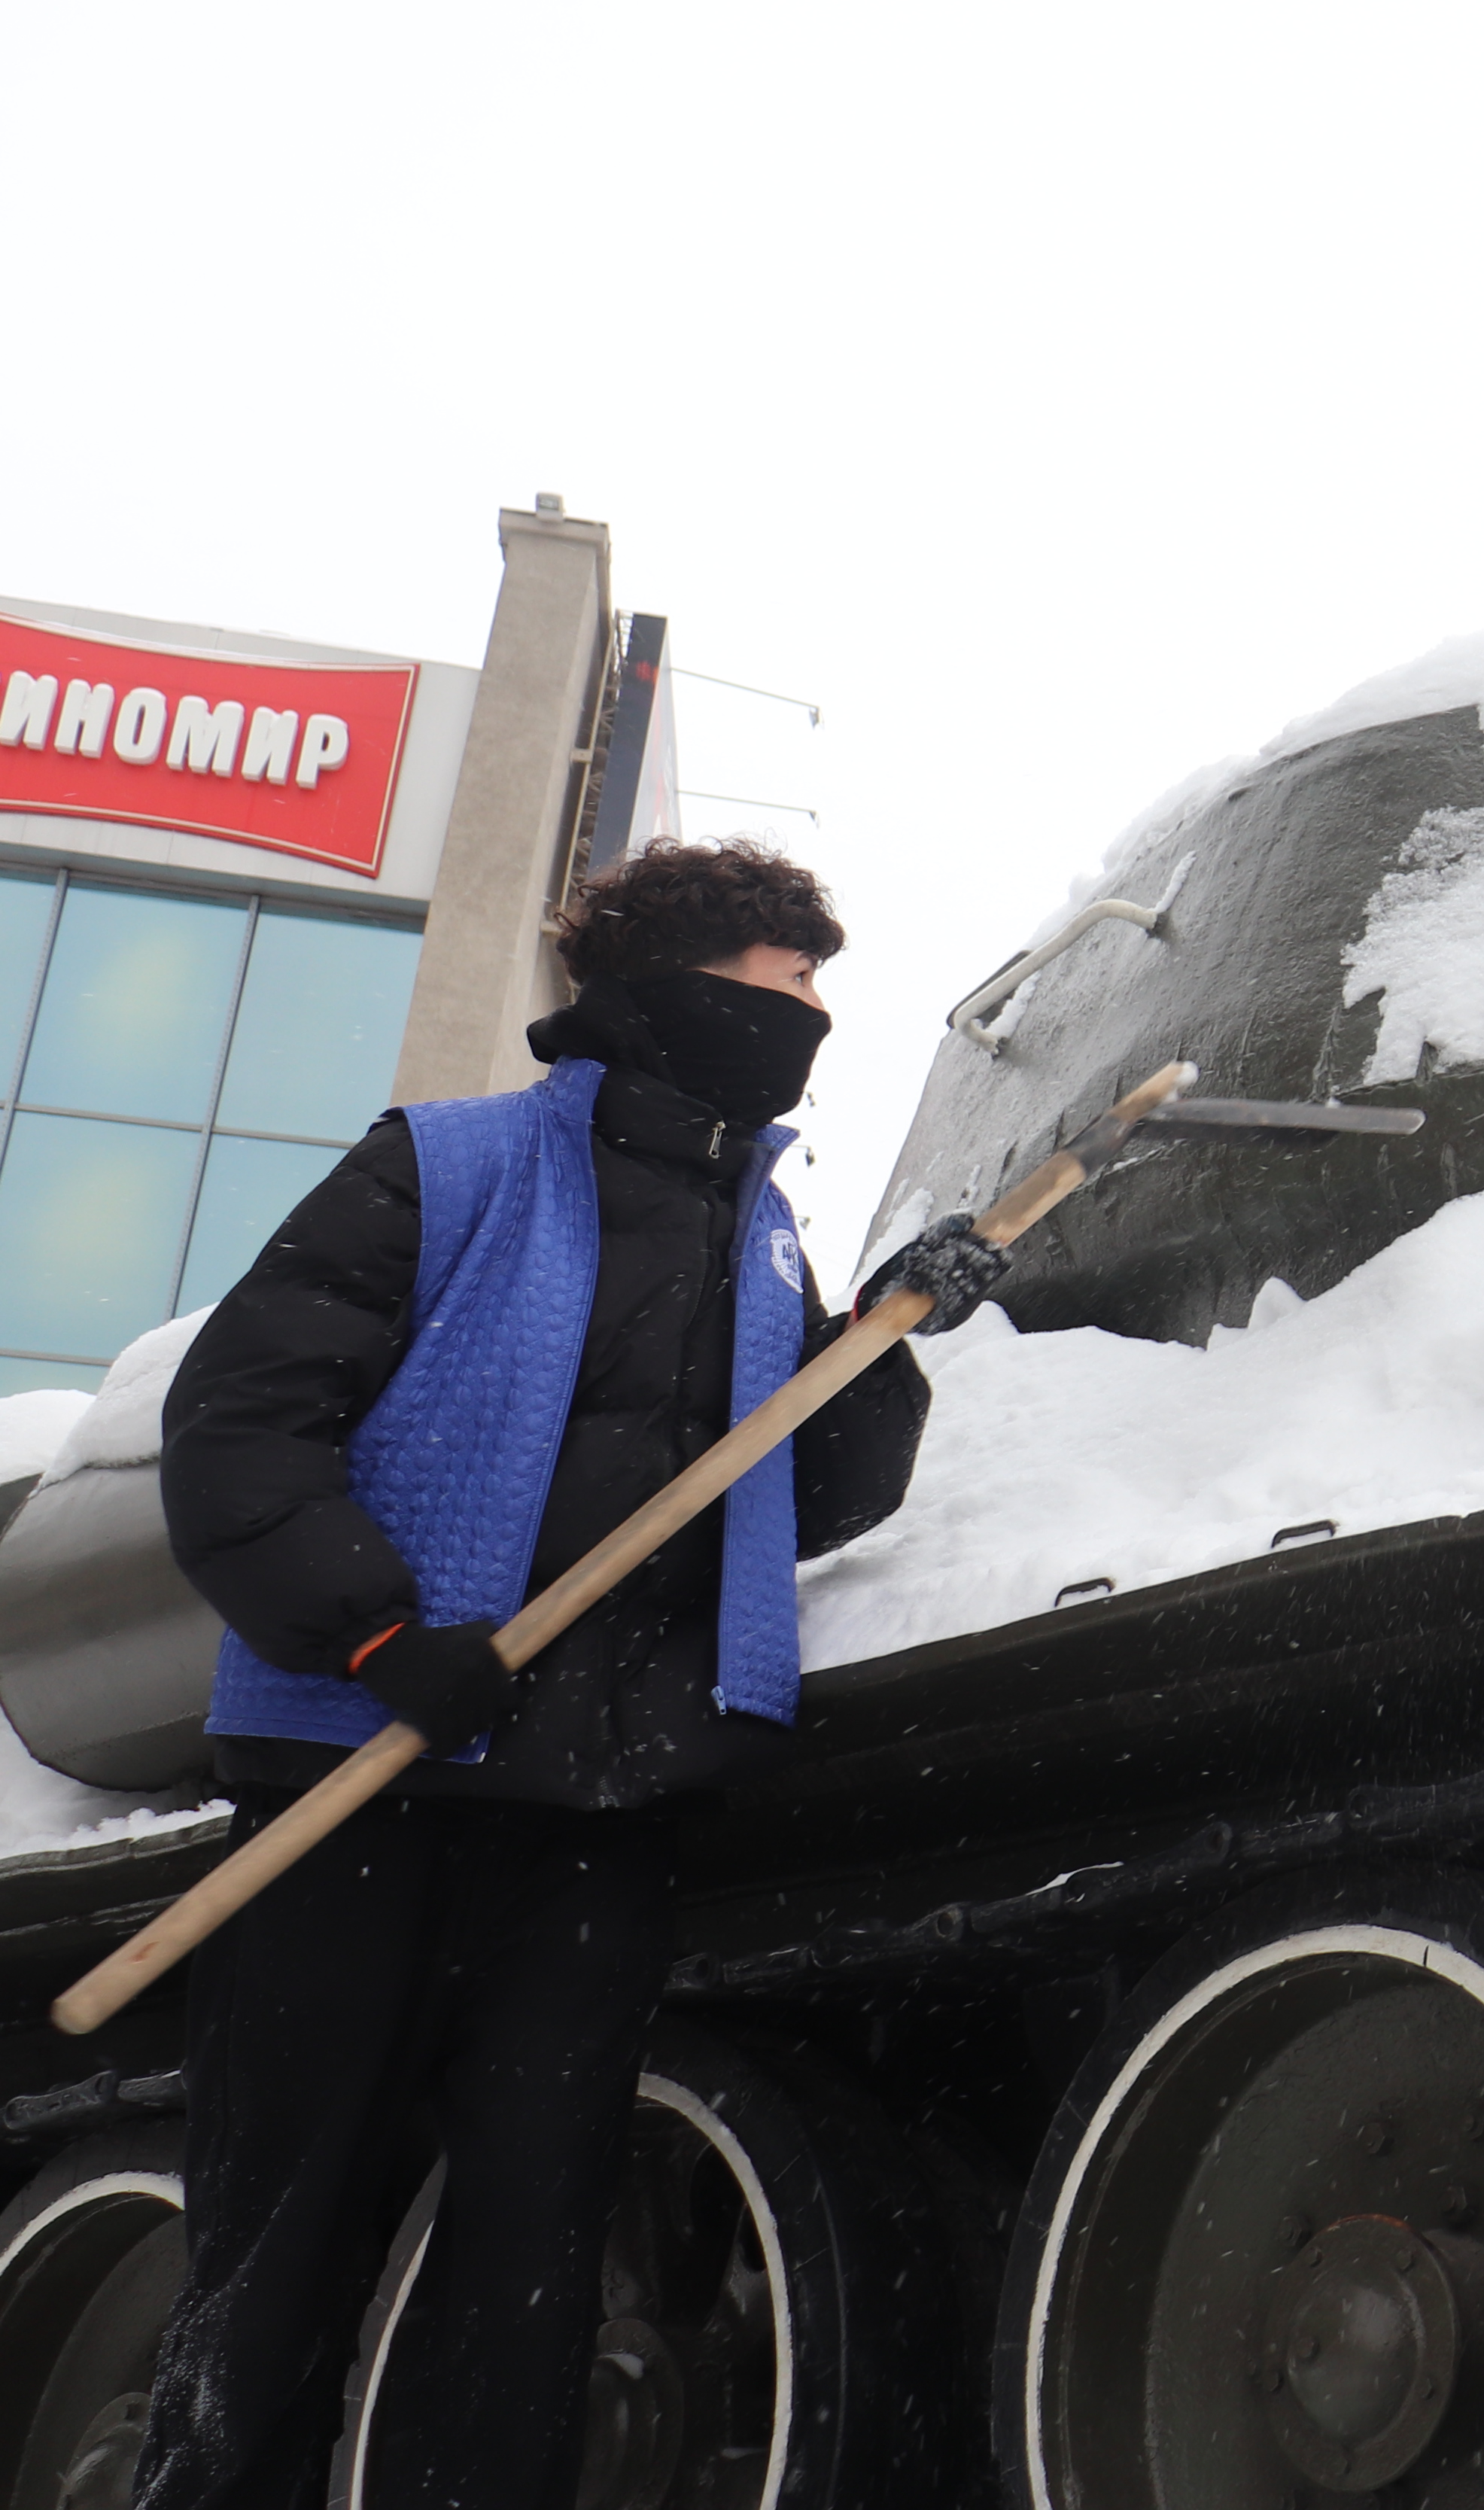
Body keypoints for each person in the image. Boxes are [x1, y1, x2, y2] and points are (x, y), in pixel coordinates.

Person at [133, 839, 1014, 2510]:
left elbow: (802, 1495)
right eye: (789, 975)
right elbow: (242, 1422)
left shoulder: (759, 1235)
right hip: (365, 1788)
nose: (814, 1012)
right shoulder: (446, 1168)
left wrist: (882, 1341)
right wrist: (380, 1633)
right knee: (282, 2250)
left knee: (531, 2271)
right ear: (680, 986)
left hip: (598, 1810)